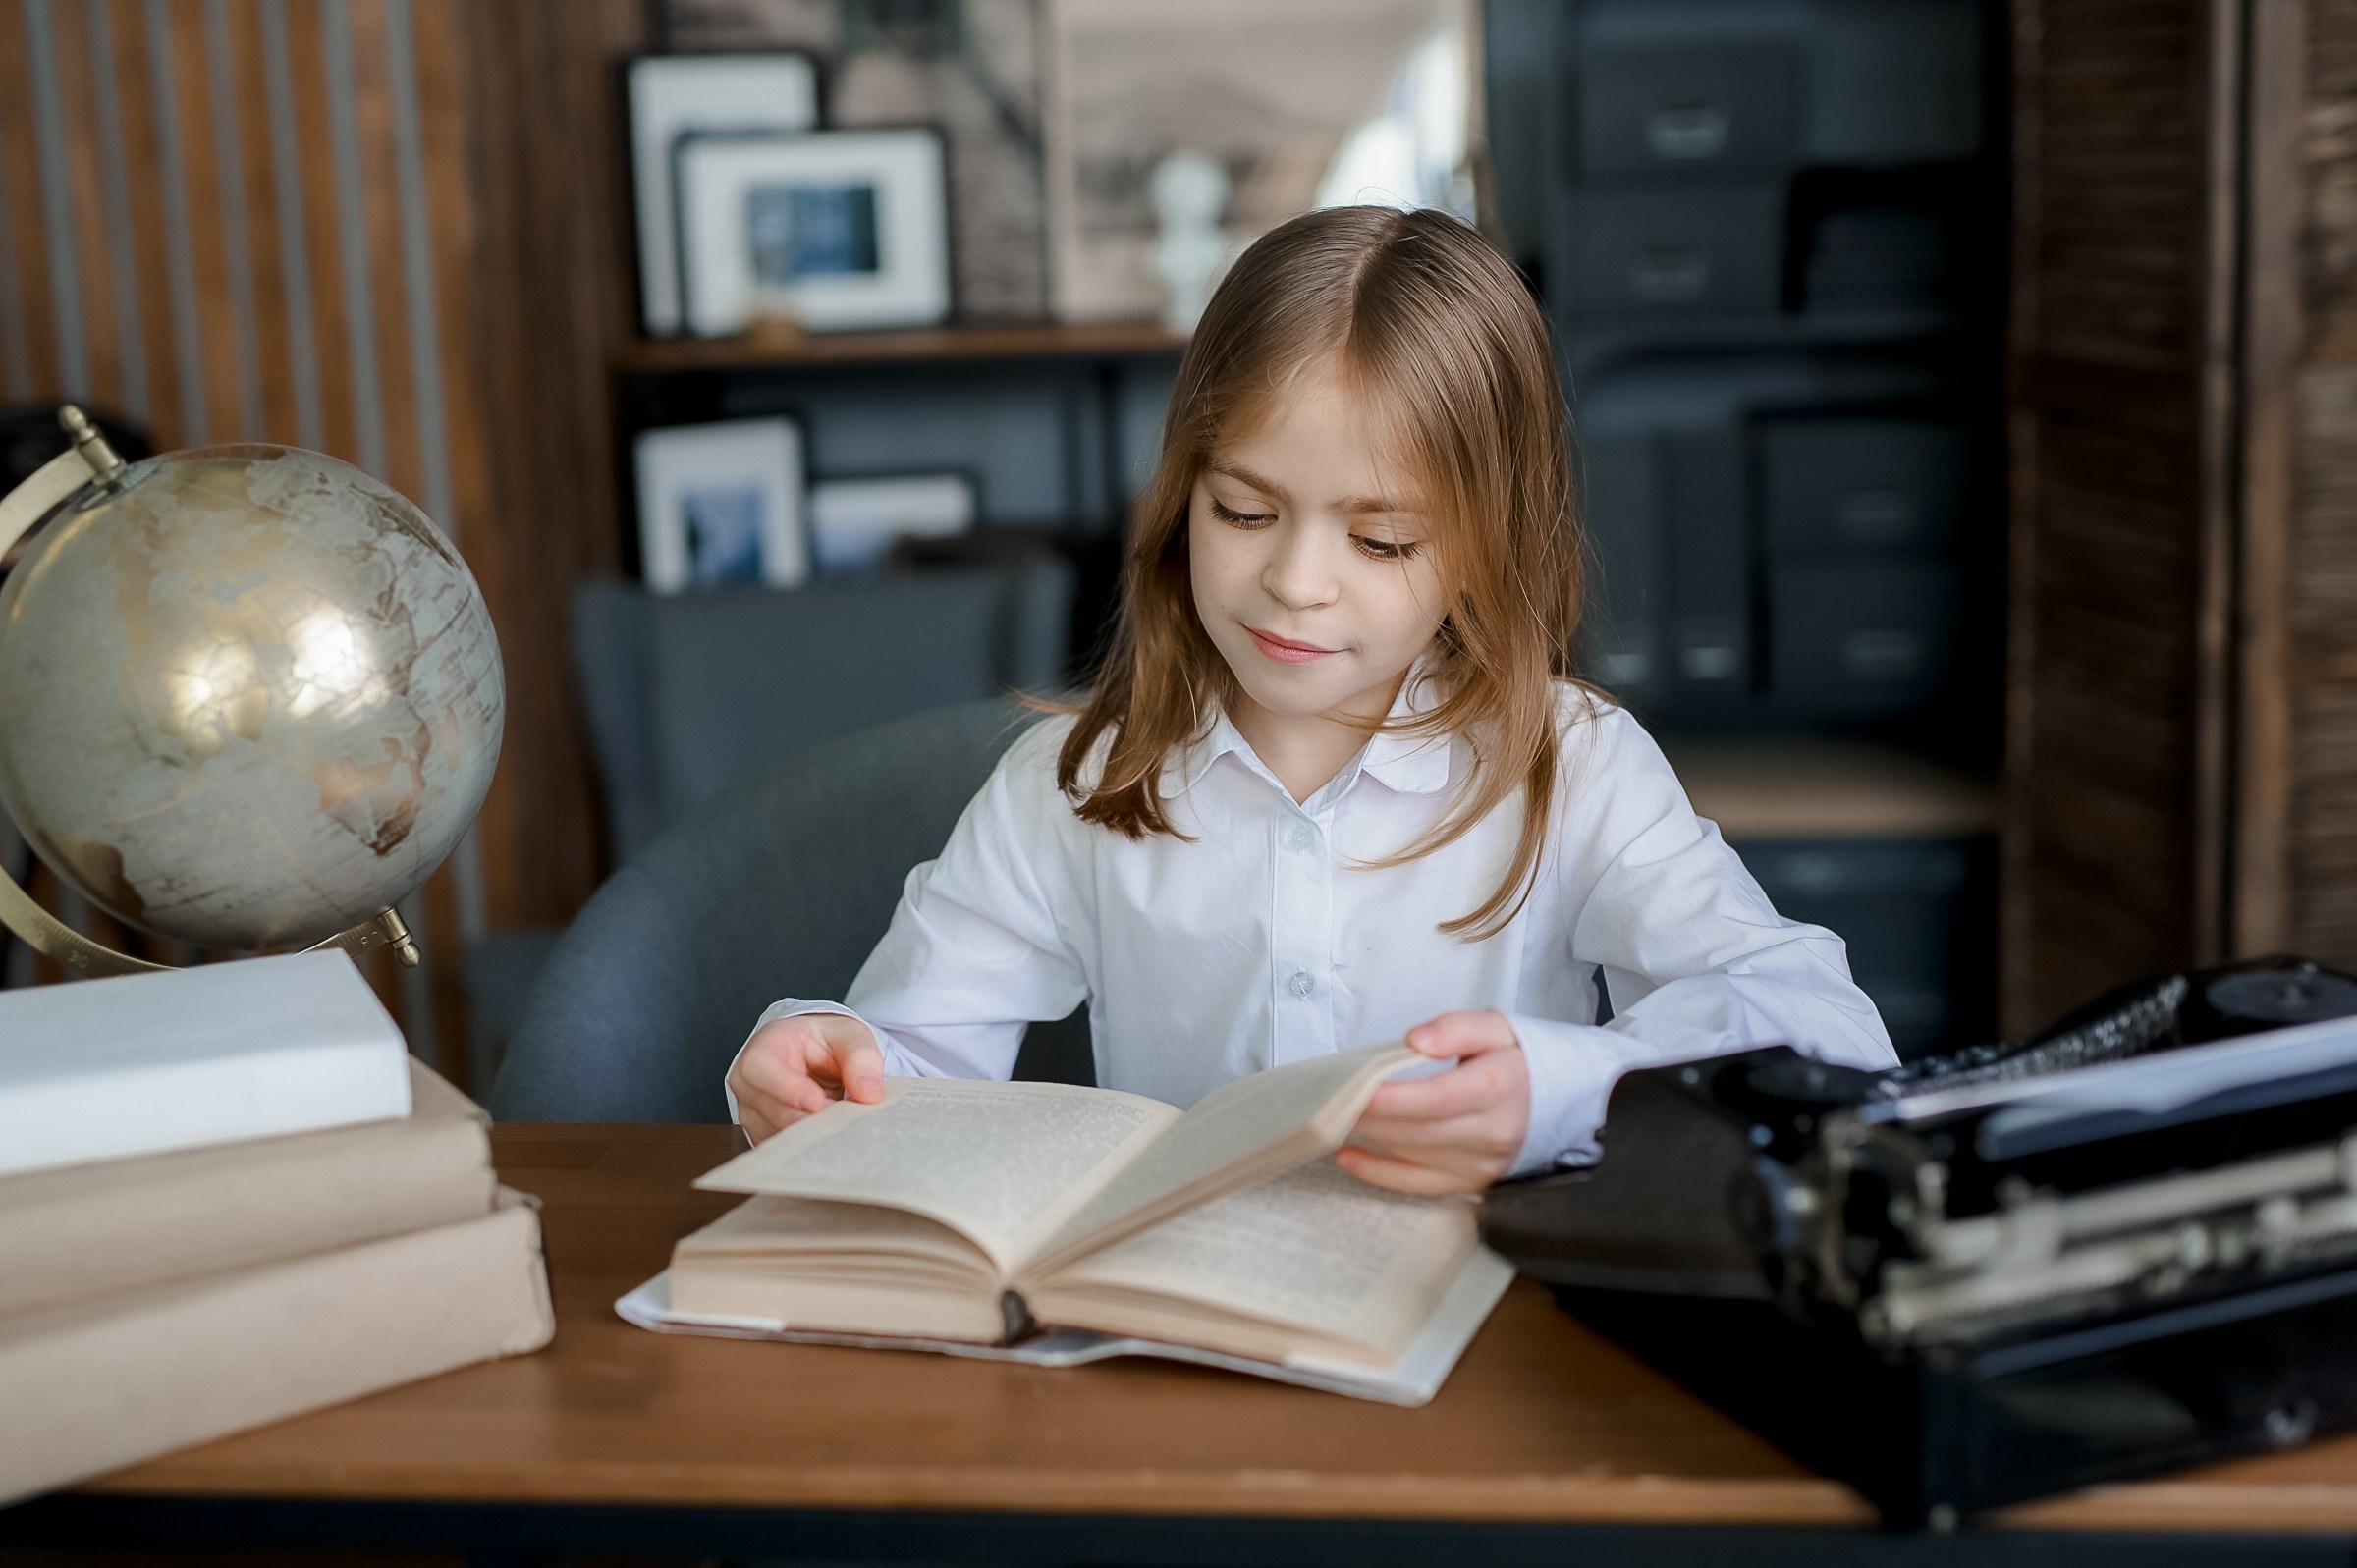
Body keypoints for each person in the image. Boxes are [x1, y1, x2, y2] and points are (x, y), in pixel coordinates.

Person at [725, 205, 1895, 1193]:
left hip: (1484, 1341)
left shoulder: (1570, 762)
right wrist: (833, 1063)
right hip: (1173, 1347)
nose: (1293, 580)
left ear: (1484, 551)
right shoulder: (1074, 784)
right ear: (1183, 493)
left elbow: (1825, 1031)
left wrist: (1560, 1090)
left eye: (1381, 538)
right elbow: (915, 1060)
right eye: (1242, 511)